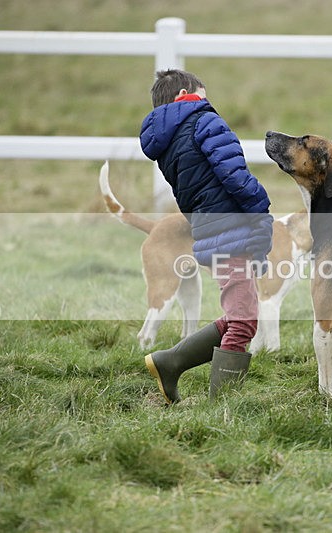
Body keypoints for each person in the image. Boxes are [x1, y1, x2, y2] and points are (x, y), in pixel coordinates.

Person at [139, 69, 273, 404]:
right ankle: (222, 407)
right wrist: (261, 204)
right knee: (243, 323)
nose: (207, 101)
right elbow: (234, 174)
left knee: (239, 314)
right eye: (202, 94)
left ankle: (169, 362)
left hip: (210, 230)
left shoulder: (168, 141)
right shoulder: (204, 121)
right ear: (183, 95)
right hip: (231, 229)